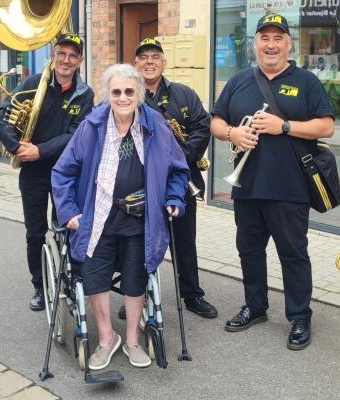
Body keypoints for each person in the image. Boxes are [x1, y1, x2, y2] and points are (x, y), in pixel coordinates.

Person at [51, 64, 189, 369]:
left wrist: (175, 198)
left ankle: (131, 341)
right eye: (116, 92)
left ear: (139, 93)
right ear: (107, 94)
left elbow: (178, 169)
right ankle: (105, 339)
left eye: (129, 91)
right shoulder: (92, 126)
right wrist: (70, 211)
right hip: (98, 218)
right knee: (94, 277)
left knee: (135, 277)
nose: (123, 97)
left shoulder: (155, 126)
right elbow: (62, 172)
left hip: (141, 218)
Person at [211, 13, 334, 350]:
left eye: (277, 38)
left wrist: (285, 126)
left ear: (288, 44)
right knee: (249, 251)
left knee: (292, 253)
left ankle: (299, 316)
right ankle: (255, 306)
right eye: (264, 38)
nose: (270, 44)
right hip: (247, 187)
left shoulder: (306, 80)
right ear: (255, 44)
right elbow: (216, 122)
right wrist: (232, 132)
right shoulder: (239, 80)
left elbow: (326, 127)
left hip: (289, 188)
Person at [118, 37, 217, 319]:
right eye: (143, 57)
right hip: (141, 182)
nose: (149, 61)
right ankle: (135, 296)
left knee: (184, 241)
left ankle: (192, 295)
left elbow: (203, 125)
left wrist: (182, 156)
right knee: (139, 242)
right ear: (135, 64)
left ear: (163, 63)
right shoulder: (127, 95)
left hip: (181, 179)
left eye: (155, 57)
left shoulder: (184, 94)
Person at [0, 33, 94, 311]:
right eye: (62, 53)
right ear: (53, 54)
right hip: (33, 173)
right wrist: (16, 147)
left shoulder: (85, 94)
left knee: (69, 227)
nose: (66, 60)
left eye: (73, 56)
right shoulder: (31, 83)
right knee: (35, 231)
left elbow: (78, 134)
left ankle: (71, 280)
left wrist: (40, 150)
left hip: (67, 173)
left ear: (80, 61)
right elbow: (3, 115)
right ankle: (40, 286)